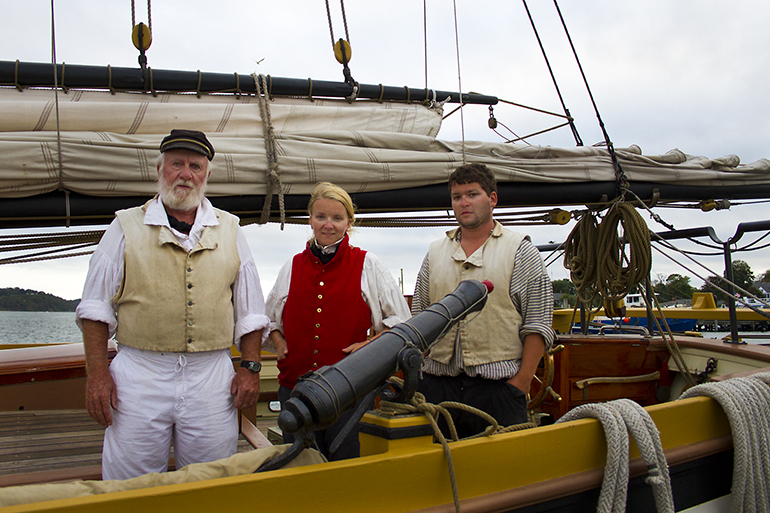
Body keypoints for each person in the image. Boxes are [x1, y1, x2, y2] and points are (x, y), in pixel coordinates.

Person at [76, 129, 270, 480]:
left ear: (207, 175)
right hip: (140, 371)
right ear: (160, 169)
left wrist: (250, 369)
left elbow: (251, 311)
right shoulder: (124, 227)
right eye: (176, 164)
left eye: (195, 166)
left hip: (211, 374)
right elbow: (94, 308)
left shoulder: (230, 229)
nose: (186, 174)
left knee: (211, 477)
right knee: (130, 481)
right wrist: (97, 374)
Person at [265, 181, 410, 461]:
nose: (328, 225)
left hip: (348, 391)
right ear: (310, 220)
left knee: (343, 464)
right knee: (297, 465)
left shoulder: (368, 264)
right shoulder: (292, 265)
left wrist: (369, 345)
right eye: (321, 217)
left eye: (337, 218)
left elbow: (400, 321)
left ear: (348, 223)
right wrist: (279, 341)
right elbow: (269, 319)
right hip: (295, 390)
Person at [412, 163, 555, 438]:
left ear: (492, 199)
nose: (464, 203)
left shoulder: (521, 252)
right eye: (457, 197)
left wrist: (520, 383)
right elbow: (420, 320)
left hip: (499, 390)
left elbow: (538, 323)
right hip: (437, 389)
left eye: (472, 194)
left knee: (503, 475)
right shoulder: (434, 254)